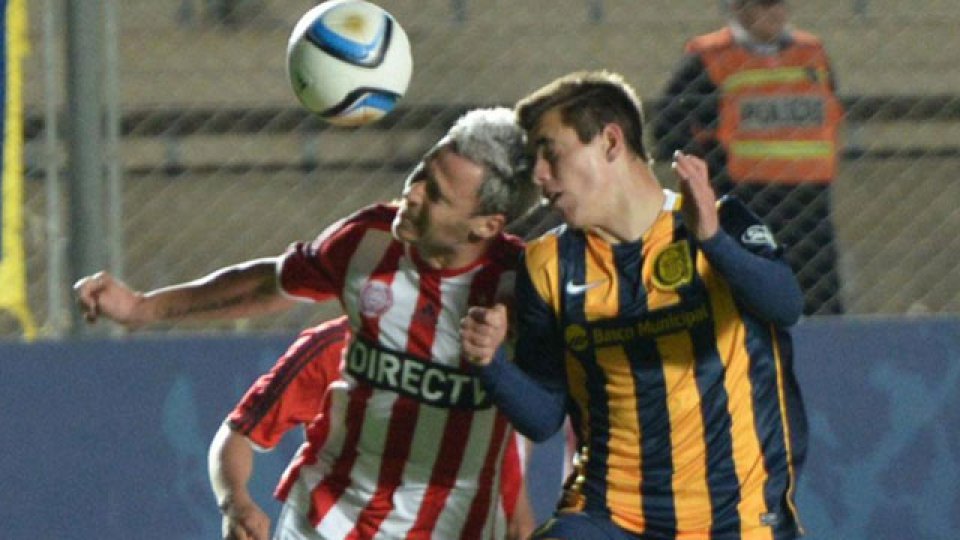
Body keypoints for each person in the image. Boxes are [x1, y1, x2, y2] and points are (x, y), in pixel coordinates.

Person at [74, 106, 541, 539]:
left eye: (435, 195)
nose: (413, 192)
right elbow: (267, 283)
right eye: (422, 171)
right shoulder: (366, 239)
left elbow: (547, 406)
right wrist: (142, 308)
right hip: (331, 517)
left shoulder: (526, 287)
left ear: (486, 225)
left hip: (455, 527)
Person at [461, 71, 808, 539]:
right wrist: (489, 363)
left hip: (739, 522)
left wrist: (713, 241)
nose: (539, 174)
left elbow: (785, 305)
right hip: (610, 518)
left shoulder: (718, 221)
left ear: (609, 142)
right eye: (533, 160)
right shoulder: (547, 264)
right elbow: (543, 418)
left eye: (551, 152)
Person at [209, 315, 536, 540]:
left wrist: (518, 520)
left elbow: (506, 477)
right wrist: (235, 502)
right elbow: (238, 431)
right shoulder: (338, 345)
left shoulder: (494, 369)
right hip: (333, 527)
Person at [654, 0, 844, 315]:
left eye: (779, 4)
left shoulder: (812, 52)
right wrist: (713, 168)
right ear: (740, 9)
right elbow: (668, 127)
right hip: (747, 198)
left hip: (810, 200)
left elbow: (831, 111)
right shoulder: (710, 56)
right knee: (748, 295)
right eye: (764, 5)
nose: (775, 13)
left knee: (819, 298)